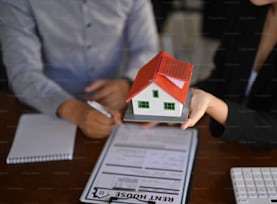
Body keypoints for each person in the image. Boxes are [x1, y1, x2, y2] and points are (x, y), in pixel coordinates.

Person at [0, 0, 159, 139]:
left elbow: (146, 49)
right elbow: (23, 71)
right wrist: (75, 110)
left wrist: (128, 84)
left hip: (117, 103)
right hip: (47, 105)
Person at [182, 0, 277, 148]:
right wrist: (180, 99)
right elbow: (220, 81)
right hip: (233, 149)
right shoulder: (246, 10)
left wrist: (211, 104)